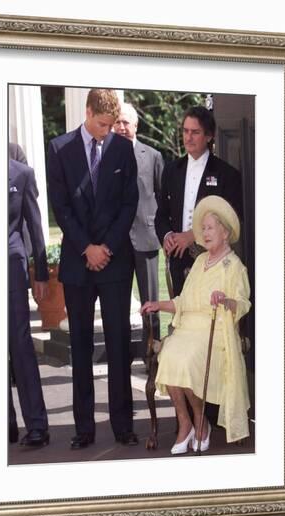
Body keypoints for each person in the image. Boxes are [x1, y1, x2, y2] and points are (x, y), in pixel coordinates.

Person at [48, 89, 139, 449]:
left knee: (118, 346)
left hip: (115, 264)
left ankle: (123, 426)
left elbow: (128, 202)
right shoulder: (59, 148)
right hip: (78, 263)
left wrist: (108, 248)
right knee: (81, 346)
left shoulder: (122, 148)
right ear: (87, 113)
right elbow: (61, 206)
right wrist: (87, 247)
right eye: (102, 124)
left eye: (111, 124)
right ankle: (83, 429)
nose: (106, 131)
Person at [141, 196, 250, 454]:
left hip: (214, 330)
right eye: (203, 228)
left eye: (210, 227)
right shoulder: (200, 262)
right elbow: (183, 302)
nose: (205, 233)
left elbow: (244, 304)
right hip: (187, 328)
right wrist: (158, 305)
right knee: (169, 356)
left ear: (225, 232)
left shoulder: (234, 266)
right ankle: (185, 422)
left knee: (188, 361)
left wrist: (226, 301)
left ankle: (201, 424)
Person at [155, 105, 243, 297]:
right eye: (185, 131)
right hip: (178, 260)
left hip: (213, 260)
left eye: (195, 132)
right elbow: (161, 214)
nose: (188, 137)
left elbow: (233, 220)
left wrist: (193, 235)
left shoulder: (227, 174)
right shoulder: (171, 170)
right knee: (182, 317)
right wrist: (167, 235)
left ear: (209, 136)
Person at [113, 102, 164, 361]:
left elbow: (161, 196)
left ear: (136, 125)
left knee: (151, 304)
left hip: (147, 238)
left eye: (126, 122)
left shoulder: (153, 156)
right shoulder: (104, 155)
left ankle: (151, 355)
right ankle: (121, 357)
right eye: (117, 122)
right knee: (118, 304)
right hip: (117, 243)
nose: (121, 127)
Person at [8, 158, 50, 447]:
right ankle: (3, 425)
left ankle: (37, 426)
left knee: (20, 344)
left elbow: (35, 226)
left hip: (11, 268)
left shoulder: (22, 174)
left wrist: (42, 273)